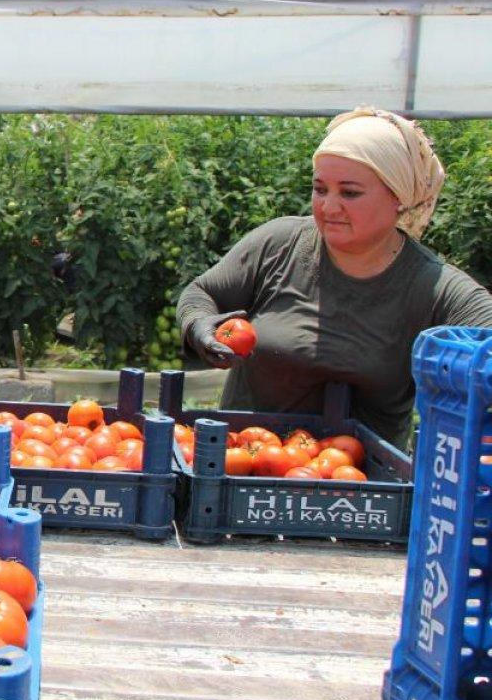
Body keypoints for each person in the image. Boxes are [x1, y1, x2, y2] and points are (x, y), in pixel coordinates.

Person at [178, 107, 492, 447]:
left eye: (350, 192)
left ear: (398, 198)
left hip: (358, 486)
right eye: (320, 189)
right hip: (244, 465)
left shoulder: (435, 289)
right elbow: (201, 293)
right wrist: (199, 326)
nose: (328, 207)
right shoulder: (279, 246)